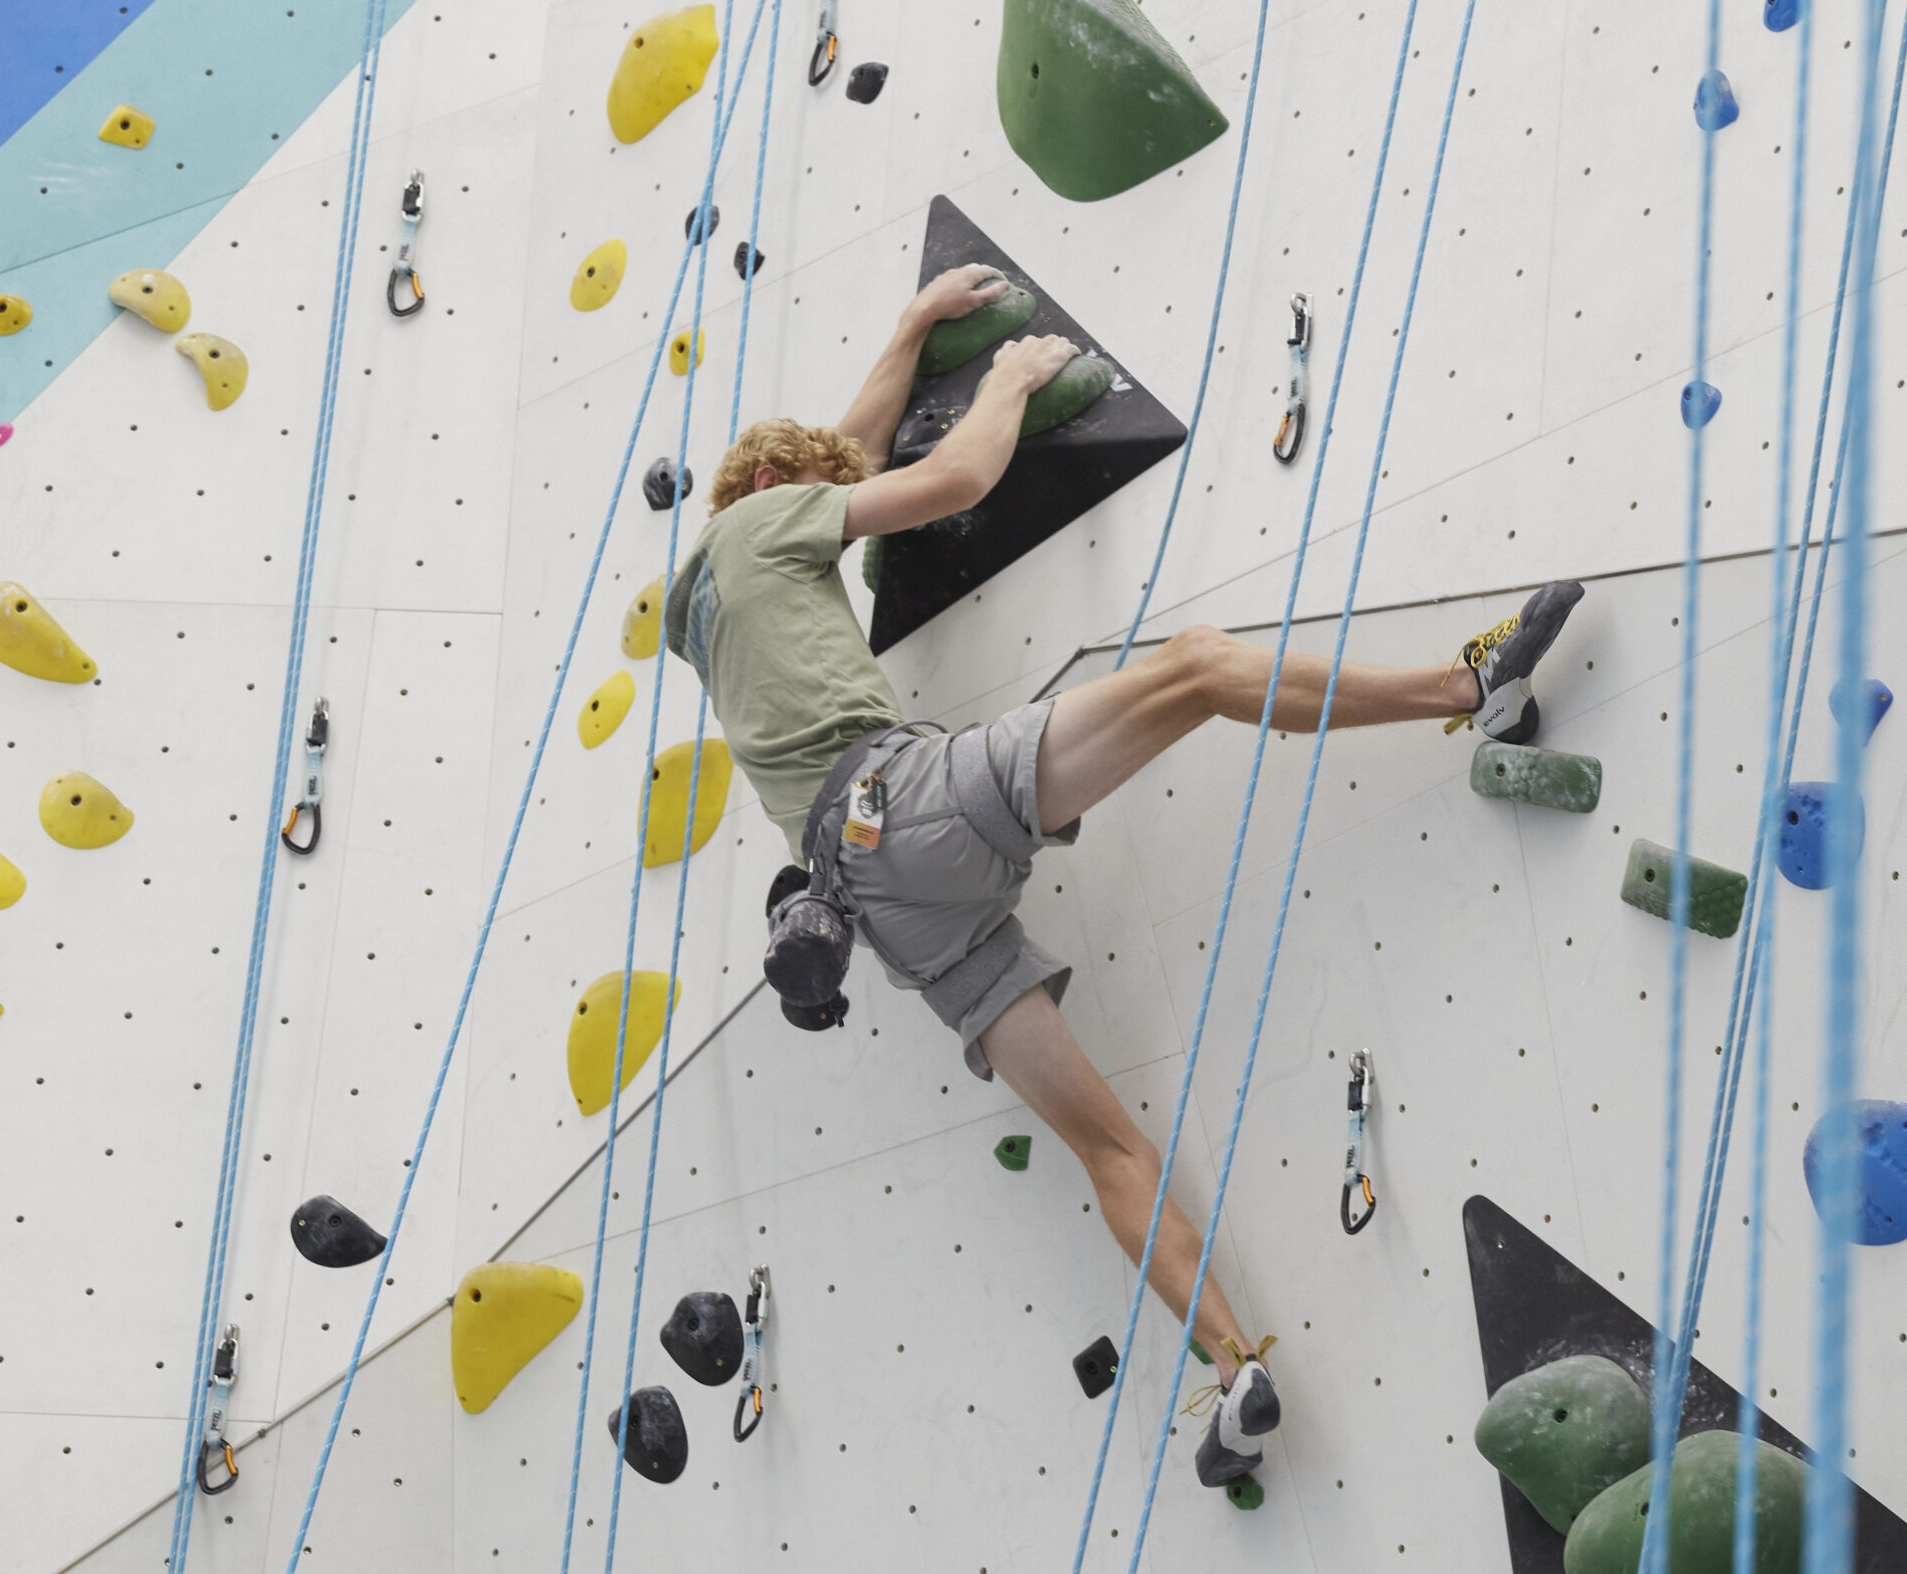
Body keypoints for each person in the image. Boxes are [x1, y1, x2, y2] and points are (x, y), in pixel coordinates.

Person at [664, 265, 1582, 1488]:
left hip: (888, 919)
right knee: (1197, 667)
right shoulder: (756, 517)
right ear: (774, 493)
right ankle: (1472, 692)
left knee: (1108, 1146)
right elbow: (944, 479)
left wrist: (909, 324)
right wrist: (1004, 375)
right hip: (905, 810)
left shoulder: (707, 609)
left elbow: (845, 444)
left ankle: (1231, 1372)